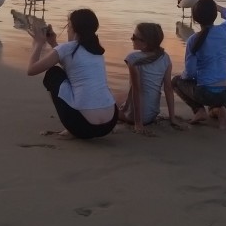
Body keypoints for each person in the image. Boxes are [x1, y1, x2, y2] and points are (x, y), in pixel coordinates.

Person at [27, 8, 117, 139]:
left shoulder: (67, 48)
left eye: (68, 26)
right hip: (110, 123)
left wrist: (38, 44)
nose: (67, 29)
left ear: (73, 28)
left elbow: (31, 70)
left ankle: (69, 126)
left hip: (82, 127)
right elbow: (73, 65)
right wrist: (53, 43)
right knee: (83, 80)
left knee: (53, 73)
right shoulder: (97, 50)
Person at [172, 0, 226, 130]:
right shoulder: (224, 30)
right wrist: (217, 7)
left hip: (206, 93)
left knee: (176, 81)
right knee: (215, 93)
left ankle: (199, 111)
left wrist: (186, 78)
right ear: (214, 15)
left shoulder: (193, 40)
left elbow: (190, 73)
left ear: (195, 19)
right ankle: (220, 111)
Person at [119, 22, 179, 134]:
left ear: (145, 43)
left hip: (138, 117)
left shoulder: (133, 58)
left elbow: (137, 91)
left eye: (134, 37)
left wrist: (138, 123)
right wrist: (172, 118)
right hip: (153, 114)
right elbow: (168, 89)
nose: (131, 39)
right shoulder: (165, 57)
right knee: (122, 96)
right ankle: (126, 108)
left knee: (111, 103)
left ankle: (128, 113)